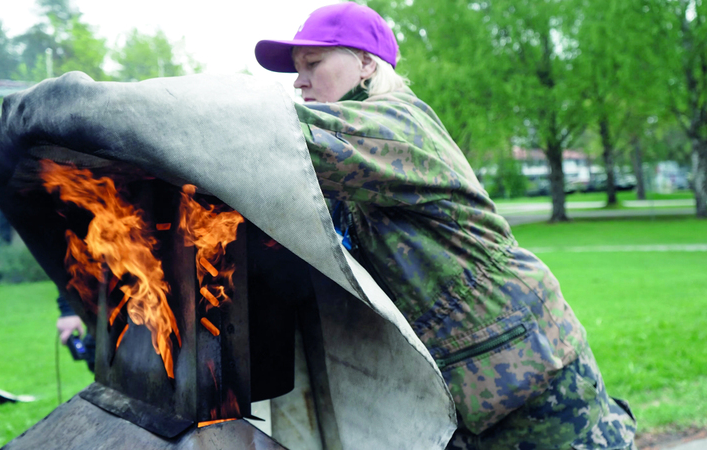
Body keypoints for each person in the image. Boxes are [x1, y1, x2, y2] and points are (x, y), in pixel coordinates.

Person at [254, 3, 636, 449]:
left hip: (528, 376)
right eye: (297, 70)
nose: (299, 82)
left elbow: (279, 139)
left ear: (365, 63)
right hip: (480, 384)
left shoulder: (394, 122)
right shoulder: (356, 156)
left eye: (313, 64)